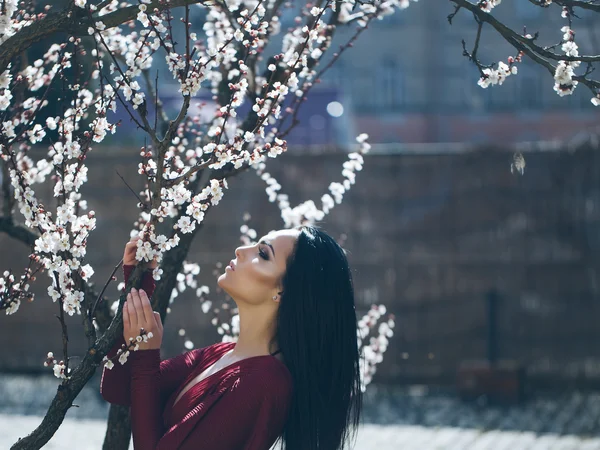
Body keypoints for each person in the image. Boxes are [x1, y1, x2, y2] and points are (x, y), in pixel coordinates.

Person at [100, 225, 363, 450]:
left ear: (284, 292)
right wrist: (138, 283)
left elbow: (141, 378)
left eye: (262, 254)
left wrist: (146, 355)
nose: (242, 250)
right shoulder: (221, 354)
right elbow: (120, 387)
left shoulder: (265, 383)